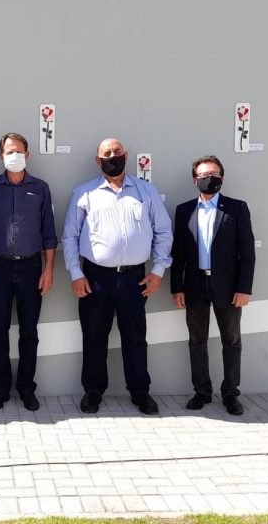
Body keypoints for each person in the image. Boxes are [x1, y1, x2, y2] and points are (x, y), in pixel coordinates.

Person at [62, 138, 172, 415]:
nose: (113, 157)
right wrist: (76, 274)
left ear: (127, 155)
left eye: (117, 153)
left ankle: (140, 393)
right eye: (107, 154)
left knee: (135, 337)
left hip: (135, 278)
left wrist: (158, 271)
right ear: (97, 161)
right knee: (94, 337)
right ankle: (93, 392)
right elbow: (70, 236)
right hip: (95, 278)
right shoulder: (84, 193)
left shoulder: (147, 192)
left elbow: (163, 233)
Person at [0, 133, 58, 412]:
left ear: (27, 155)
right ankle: (0, 389)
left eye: (19, 151)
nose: (14, 156)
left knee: (29, 332)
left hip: (32, 268)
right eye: (9, 152)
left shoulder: (41, 188)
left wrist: (49, 271)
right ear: (2, 156)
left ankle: (26, 389)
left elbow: (49, 235)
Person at [170, 155, 255, 416]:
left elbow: (247, 253)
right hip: (195, 284)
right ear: (195, 180)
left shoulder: (237, 208)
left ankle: (231, 394)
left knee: (231, 341)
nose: (210, 179)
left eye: (215, 174)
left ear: (222, 177)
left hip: (228, 287)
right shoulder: (184, 210)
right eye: (205, 175)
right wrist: (177, 287)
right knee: (197, 341)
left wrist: (244, 288)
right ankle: (202, 392)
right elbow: (179, 253)